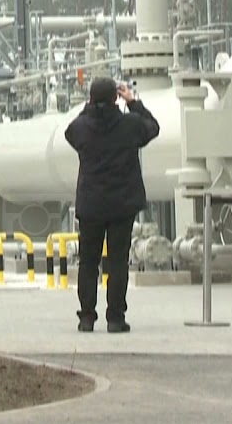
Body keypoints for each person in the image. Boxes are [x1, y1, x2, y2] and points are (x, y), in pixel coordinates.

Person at [63, 77, 160, 333]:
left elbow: (70, 133)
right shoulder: (130, 124)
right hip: (122, 204)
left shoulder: (82, 127)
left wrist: (90, 107)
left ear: (90, 98)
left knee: (88, 262)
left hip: (91, 204)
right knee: (117, 262)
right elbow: (153, 127)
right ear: (117, 97)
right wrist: (133, 102)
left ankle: (86, 317)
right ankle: (115, 318)